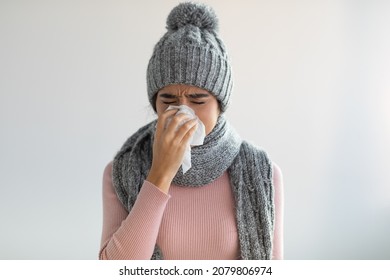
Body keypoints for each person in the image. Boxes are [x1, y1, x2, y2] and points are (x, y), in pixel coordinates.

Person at [99, 2, 284, 260]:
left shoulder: (263, 173)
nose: (183, 112)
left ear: (220, 104)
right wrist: (160, 173)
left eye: (198, 100)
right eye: (168, 100)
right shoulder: (120, 171)